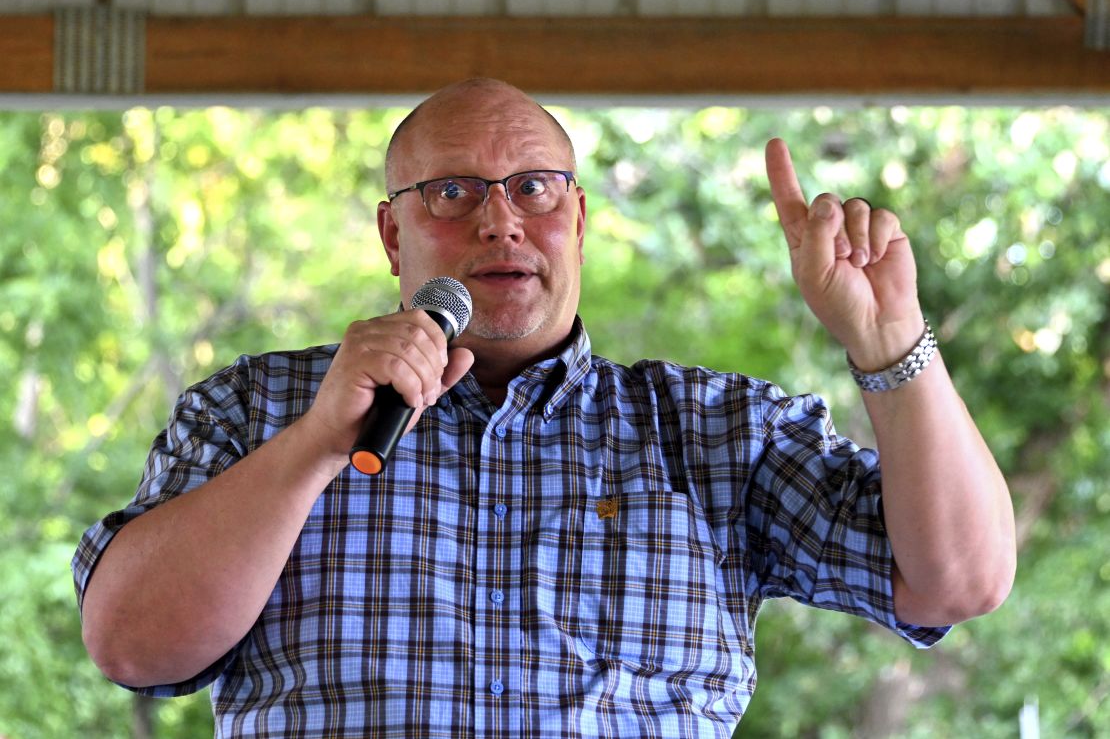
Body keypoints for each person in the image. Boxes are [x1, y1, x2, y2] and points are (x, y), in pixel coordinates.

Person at [73, 78, 1016, 737]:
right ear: (391, 234)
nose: (499, 220)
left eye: (534, 187)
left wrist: (891, 343)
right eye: (453, 192)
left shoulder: (719, 433)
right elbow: (131, 645)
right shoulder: (255, 406)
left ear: (579, 222)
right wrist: (318, 444)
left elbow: (957, 580)